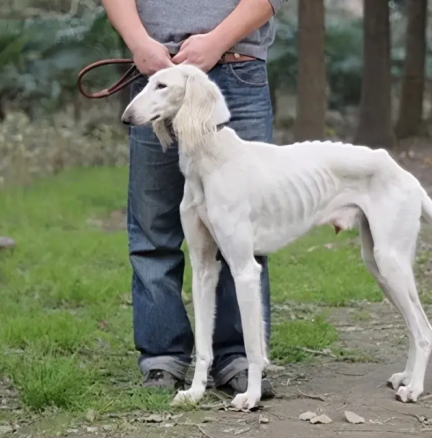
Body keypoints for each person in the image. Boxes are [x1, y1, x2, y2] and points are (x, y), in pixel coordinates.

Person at [101, 0, 286, 398]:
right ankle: (163, 357)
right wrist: (139, 42)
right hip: (157, 70)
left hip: (237, 68)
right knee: (153, 230)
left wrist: (217, 41)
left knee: (242, 232)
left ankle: (239, 357)